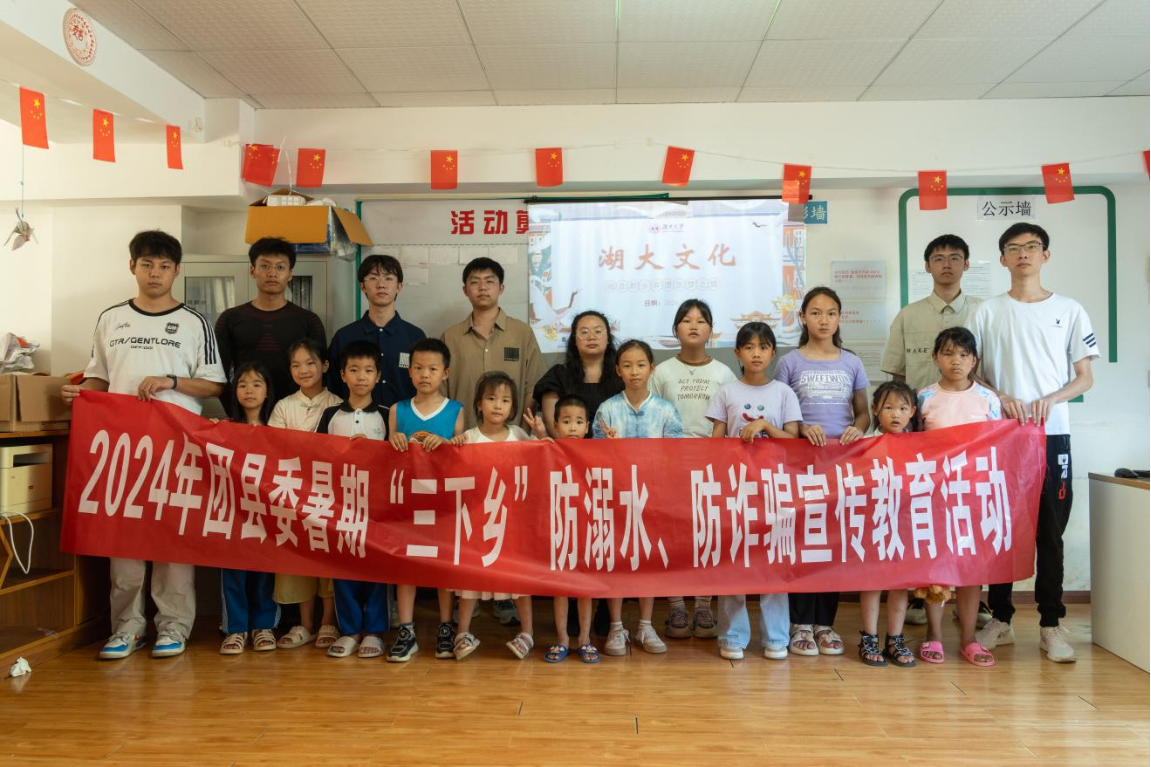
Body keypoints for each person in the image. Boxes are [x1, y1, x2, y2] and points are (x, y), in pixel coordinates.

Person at [62, 230, 226, 660]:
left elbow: (214, 384)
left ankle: (174, 626)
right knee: (124, 538)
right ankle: (127, 628)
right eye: (148, 264)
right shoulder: (111, 318)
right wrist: (80, 394)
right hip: (122, 449)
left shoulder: (194, 323)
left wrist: (171, 381)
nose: (156, 273)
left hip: (176, 448)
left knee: (173, 536)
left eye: (164, 266)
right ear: (132, 266)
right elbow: (98, 378)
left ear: (176, 270)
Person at [972, 223, 1098, 664]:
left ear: (1046, 255)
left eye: (1031, 246)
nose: (1023, 253)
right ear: (1002, 259)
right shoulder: (986, 311)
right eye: (1014, 248)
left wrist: (1052, 399)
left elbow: (1085, 376)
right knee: (1002, 529)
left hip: (1052, 434)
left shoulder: (1070, 309)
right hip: (1002, 435)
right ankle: (1001, 619)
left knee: (1050, 532)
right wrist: (1000, 397)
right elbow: (969, 372)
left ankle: (1050, 624)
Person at [880, 234, 984, 627]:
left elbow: (988, 371)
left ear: (966, 264)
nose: (947, 264)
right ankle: (923, 594)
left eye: (955, 257)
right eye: (938, 258)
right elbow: (897, 376)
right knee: (923, 518)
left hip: (970, 440)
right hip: (921, 436)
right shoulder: (908, 316)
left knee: (968, 520)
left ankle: (973, 601)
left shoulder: (984, 312)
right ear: (927, 266)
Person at [441, 256, 545, 625]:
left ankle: (504, 595)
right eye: (474, 281)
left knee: (507, 525)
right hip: (466, 449)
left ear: (501, 288)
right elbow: (442, 392)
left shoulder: (521, 333)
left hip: (510, 451)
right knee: (468, 526)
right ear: (465, 289)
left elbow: (532, 387)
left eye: (489, 281)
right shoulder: (450, 337)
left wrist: (522, 434)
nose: (482, 287)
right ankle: (468, 593)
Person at [774, 287, 870, 657]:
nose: (823, 320)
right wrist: (801, 428)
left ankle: (824, 623)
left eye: (831, 313)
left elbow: (863, 412)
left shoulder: (852, 362)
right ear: (802, 318)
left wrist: (857, 429)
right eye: (815, 312)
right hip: (800, 465)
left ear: (839, 318)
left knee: (832, 541)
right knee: (801, 540)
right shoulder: (789, 362)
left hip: (841, 465)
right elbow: (781, 413)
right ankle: (800, 623)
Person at [705, 321, 799, 662]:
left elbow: (793, 439)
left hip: (775, 488)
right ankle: (732, 635)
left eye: (763, 347)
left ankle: (776, 637)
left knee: (774, 560)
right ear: (737, 353)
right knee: (735, 559)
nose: (756, 354)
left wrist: (765, 426)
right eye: (749, 347)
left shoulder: (783, 392)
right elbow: (716, 441)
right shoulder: (727, 392)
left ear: (773, 353)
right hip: (735, 488)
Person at [650, 299, 736, 640]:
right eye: (686, 320)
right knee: (673, 536)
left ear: (711, 330)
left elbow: (731, 420)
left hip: (712, 466)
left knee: (708, 535)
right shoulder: (662, 372)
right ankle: (676, 606)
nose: (694, 325)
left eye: (701, 320)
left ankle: (703, 605)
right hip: (670, 465)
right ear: (676, 329)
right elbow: (653, 417)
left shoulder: (724, 373)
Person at [916, 327, 1001, 667]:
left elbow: (998, 447)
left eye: (964, 355)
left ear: (974, 361)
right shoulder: (923, 397)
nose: (956, 361)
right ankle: (934, 635)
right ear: (935, 358)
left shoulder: (988, 399)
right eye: (949, 353)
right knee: (935, 567)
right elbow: (911, 448)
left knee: (970, 569)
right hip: (934, 496)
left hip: (974, 496)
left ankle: (969, 639)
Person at [594, 339, 682, 656]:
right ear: (617, 370)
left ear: (651, 368)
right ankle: (616, 627)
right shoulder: (607, 409)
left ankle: (645, 625)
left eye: (641, 365)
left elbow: (674, 456)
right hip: (615, 499)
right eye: (627, 365)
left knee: (649, 561)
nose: (634, 371)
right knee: (616, 560)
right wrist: (608, 448)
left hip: (653, 498)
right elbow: (592, 458)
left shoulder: (666, 410)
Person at [448, 372, 545, 660]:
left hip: (512, 521)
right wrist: (453, 446)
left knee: (519, 580)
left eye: (505, 400)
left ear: (513, 405)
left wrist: (540, 433)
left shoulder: (519, 435)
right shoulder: (469, 437)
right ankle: (462, 633)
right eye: (491, 398)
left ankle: (527, 633)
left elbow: (545, 456)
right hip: (477, 521)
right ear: (479, 404)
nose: (498, 405)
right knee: (471, 579)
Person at [386, 338, 465, 663]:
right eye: (418, 368)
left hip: (442, 502)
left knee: (443, 566)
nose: (424, 374)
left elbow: (461, 456)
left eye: (432, 369)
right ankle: (407, 630)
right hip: (407, 501)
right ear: (409, 371)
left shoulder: (456, 410)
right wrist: (393, 440)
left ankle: (446, 626)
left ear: (445, 373)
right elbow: (385, 458)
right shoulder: (398, 409)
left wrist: (445, 444)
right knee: (406, 567)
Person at [268, 337, 343, 650]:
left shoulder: (338, 404)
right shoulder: (284, 406)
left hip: (328, 495)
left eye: (310, 363)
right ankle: (305, 624)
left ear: (325, 365)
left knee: (329, 559)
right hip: (294, 493)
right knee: (299, 558)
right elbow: (274, 448)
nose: (304, 370)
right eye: (296, 365)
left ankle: (328, 622)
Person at [316, 341, 390, 658]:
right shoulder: (330, 414)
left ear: (378, 376)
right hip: (340, 503)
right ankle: (349, 630)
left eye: (368, 370)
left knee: (376, 567)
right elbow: (316, 456)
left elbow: (396, 461)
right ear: (343, 375)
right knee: (343, 567)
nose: (361, 376)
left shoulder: (388, 414)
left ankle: (374, 631)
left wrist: (372, 450)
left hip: (375, 506)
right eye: (354, 370)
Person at [214, 237, 325, 409]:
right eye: (265, 266)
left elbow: (319, 375)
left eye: (280, 267)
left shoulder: (309, 321)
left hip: (296, 415)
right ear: (252, 270)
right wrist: (237, 412)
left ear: (290, 274)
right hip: (247, 415)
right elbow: (218, 377)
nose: (272, 273)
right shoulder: (230, 319)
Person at [218, 362, 280, 655]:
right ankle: (236, 628)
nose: (249, 390)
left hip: (269, 513)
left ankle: (263, 625)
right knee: (233, 570)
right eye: (242, 385)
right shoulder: (224, 428)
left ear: (267, 391)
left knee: (266, 570)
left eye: (256, 384)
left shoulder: (279, 430)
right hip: (232, 513)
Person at [857, 381, 918, 669]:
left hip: (905, 523)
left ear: (913, 412)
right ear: (875, 410)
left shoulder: (920, 445)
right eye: (889, 407)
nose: (896, 414)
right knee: (873, 580)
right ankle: (868, 637)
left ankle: (895, 638)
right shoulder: (864, 444)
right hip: (873, 522)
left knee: (899, 582)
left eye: (903, 408)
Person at [541, 394, 601, 665]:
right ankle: (563, 638)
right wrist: (539, 437)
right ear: (555, 425)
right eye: (566, 421)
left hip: (587, 527)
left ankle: (584, 638)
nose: (573, 427)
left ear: (587, 426)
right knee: (561, 587)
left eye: (578, 422)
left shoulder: (596, 451)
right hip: (558, 527)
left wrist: (614, 444)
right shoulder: (549, 448)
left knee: (585, 587)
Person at [327, 254, 425, 407]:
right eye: (373, 278)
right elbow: (333, 386)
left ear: (399, 286)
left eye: (389, 278)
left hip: (404, 419)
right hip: (355, 419)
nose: (381, 285)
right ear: (362, 286)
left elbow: (426, 384)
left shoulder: (415, 337)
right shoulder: (344, 337)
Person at [533, 309, 623, 438]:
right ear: (574, 339)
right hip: (567, 448)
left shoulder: (621, 375)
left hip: (613, 447)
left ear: (608, 337)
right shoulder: (557, 376)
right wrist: (572, 448)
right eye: (584, 332)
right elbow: (551, 423)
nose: (591, 337)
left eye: (598, 331)